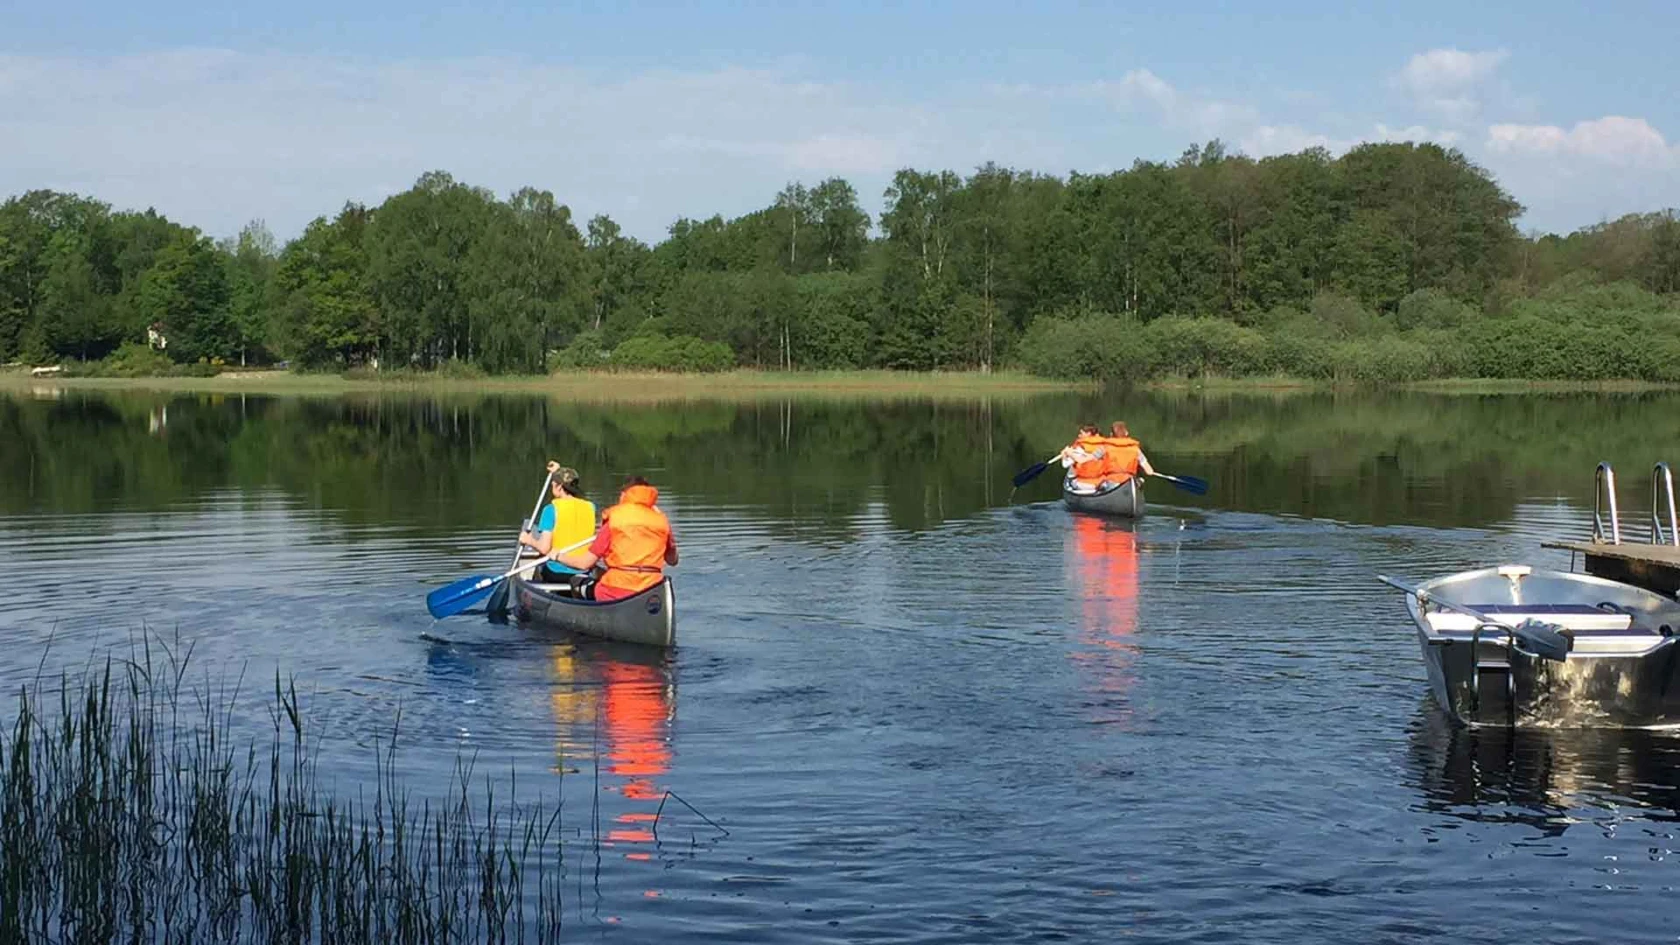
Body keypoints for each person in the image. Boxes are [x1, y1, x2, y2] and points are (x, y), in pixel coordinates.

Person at [550, 476, 679, 601]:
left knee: (577, 581)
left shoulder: (615, 519)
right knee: (600, 573)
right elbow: (672, 560)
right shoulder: (661, 520)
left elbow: (585, 563)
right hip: (651, 590)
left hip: (617, 589)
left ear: (624, 494)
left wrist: (557, 556)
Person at [518, 462, 597, 584]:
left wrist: (529, 540)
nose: (551, 487)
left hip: (557, 572)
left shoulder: (550, 510)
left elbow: (545, 549)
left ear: (559, 487)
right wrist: (557, 472)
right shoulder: (591, 507)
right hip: (583, 571)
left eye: (553, 485)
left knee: (541, 562)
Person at [1060, 424, 1109, 491]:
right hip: (1100, 483)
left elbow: (1065, 464)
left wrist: (1064, 455)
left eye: (1081, 433)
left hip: (1083, 483)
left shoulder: (1080, 448)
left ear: (1088, 433)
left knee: (1072, 475)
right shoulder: (1105, 446)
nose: (1079, 435)